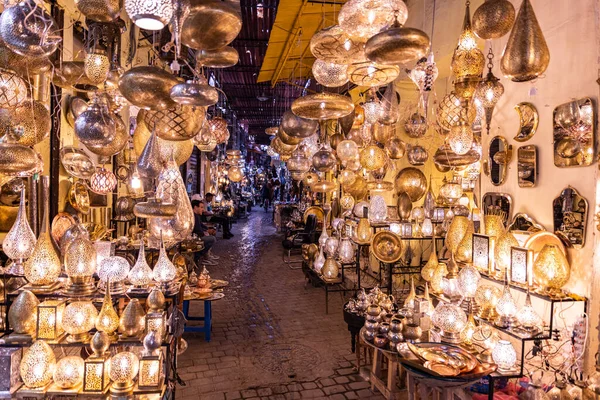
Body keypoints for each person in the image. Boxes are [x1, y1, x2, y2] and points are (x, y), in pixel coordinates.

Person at [191, 200, 218, 266]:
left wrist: (208, 229)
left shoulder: (197, 216)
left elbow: (202, 226)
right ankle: (199, 256)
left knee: (211, 235)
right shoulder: (194, 216)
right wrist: (207, 232)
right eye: (201, 207)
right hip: (195, 238)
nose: (203, 210)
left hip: (198, 235)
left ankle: (206, 256)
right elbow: (198, 231)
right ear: (195, 207)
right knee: (212, 239)